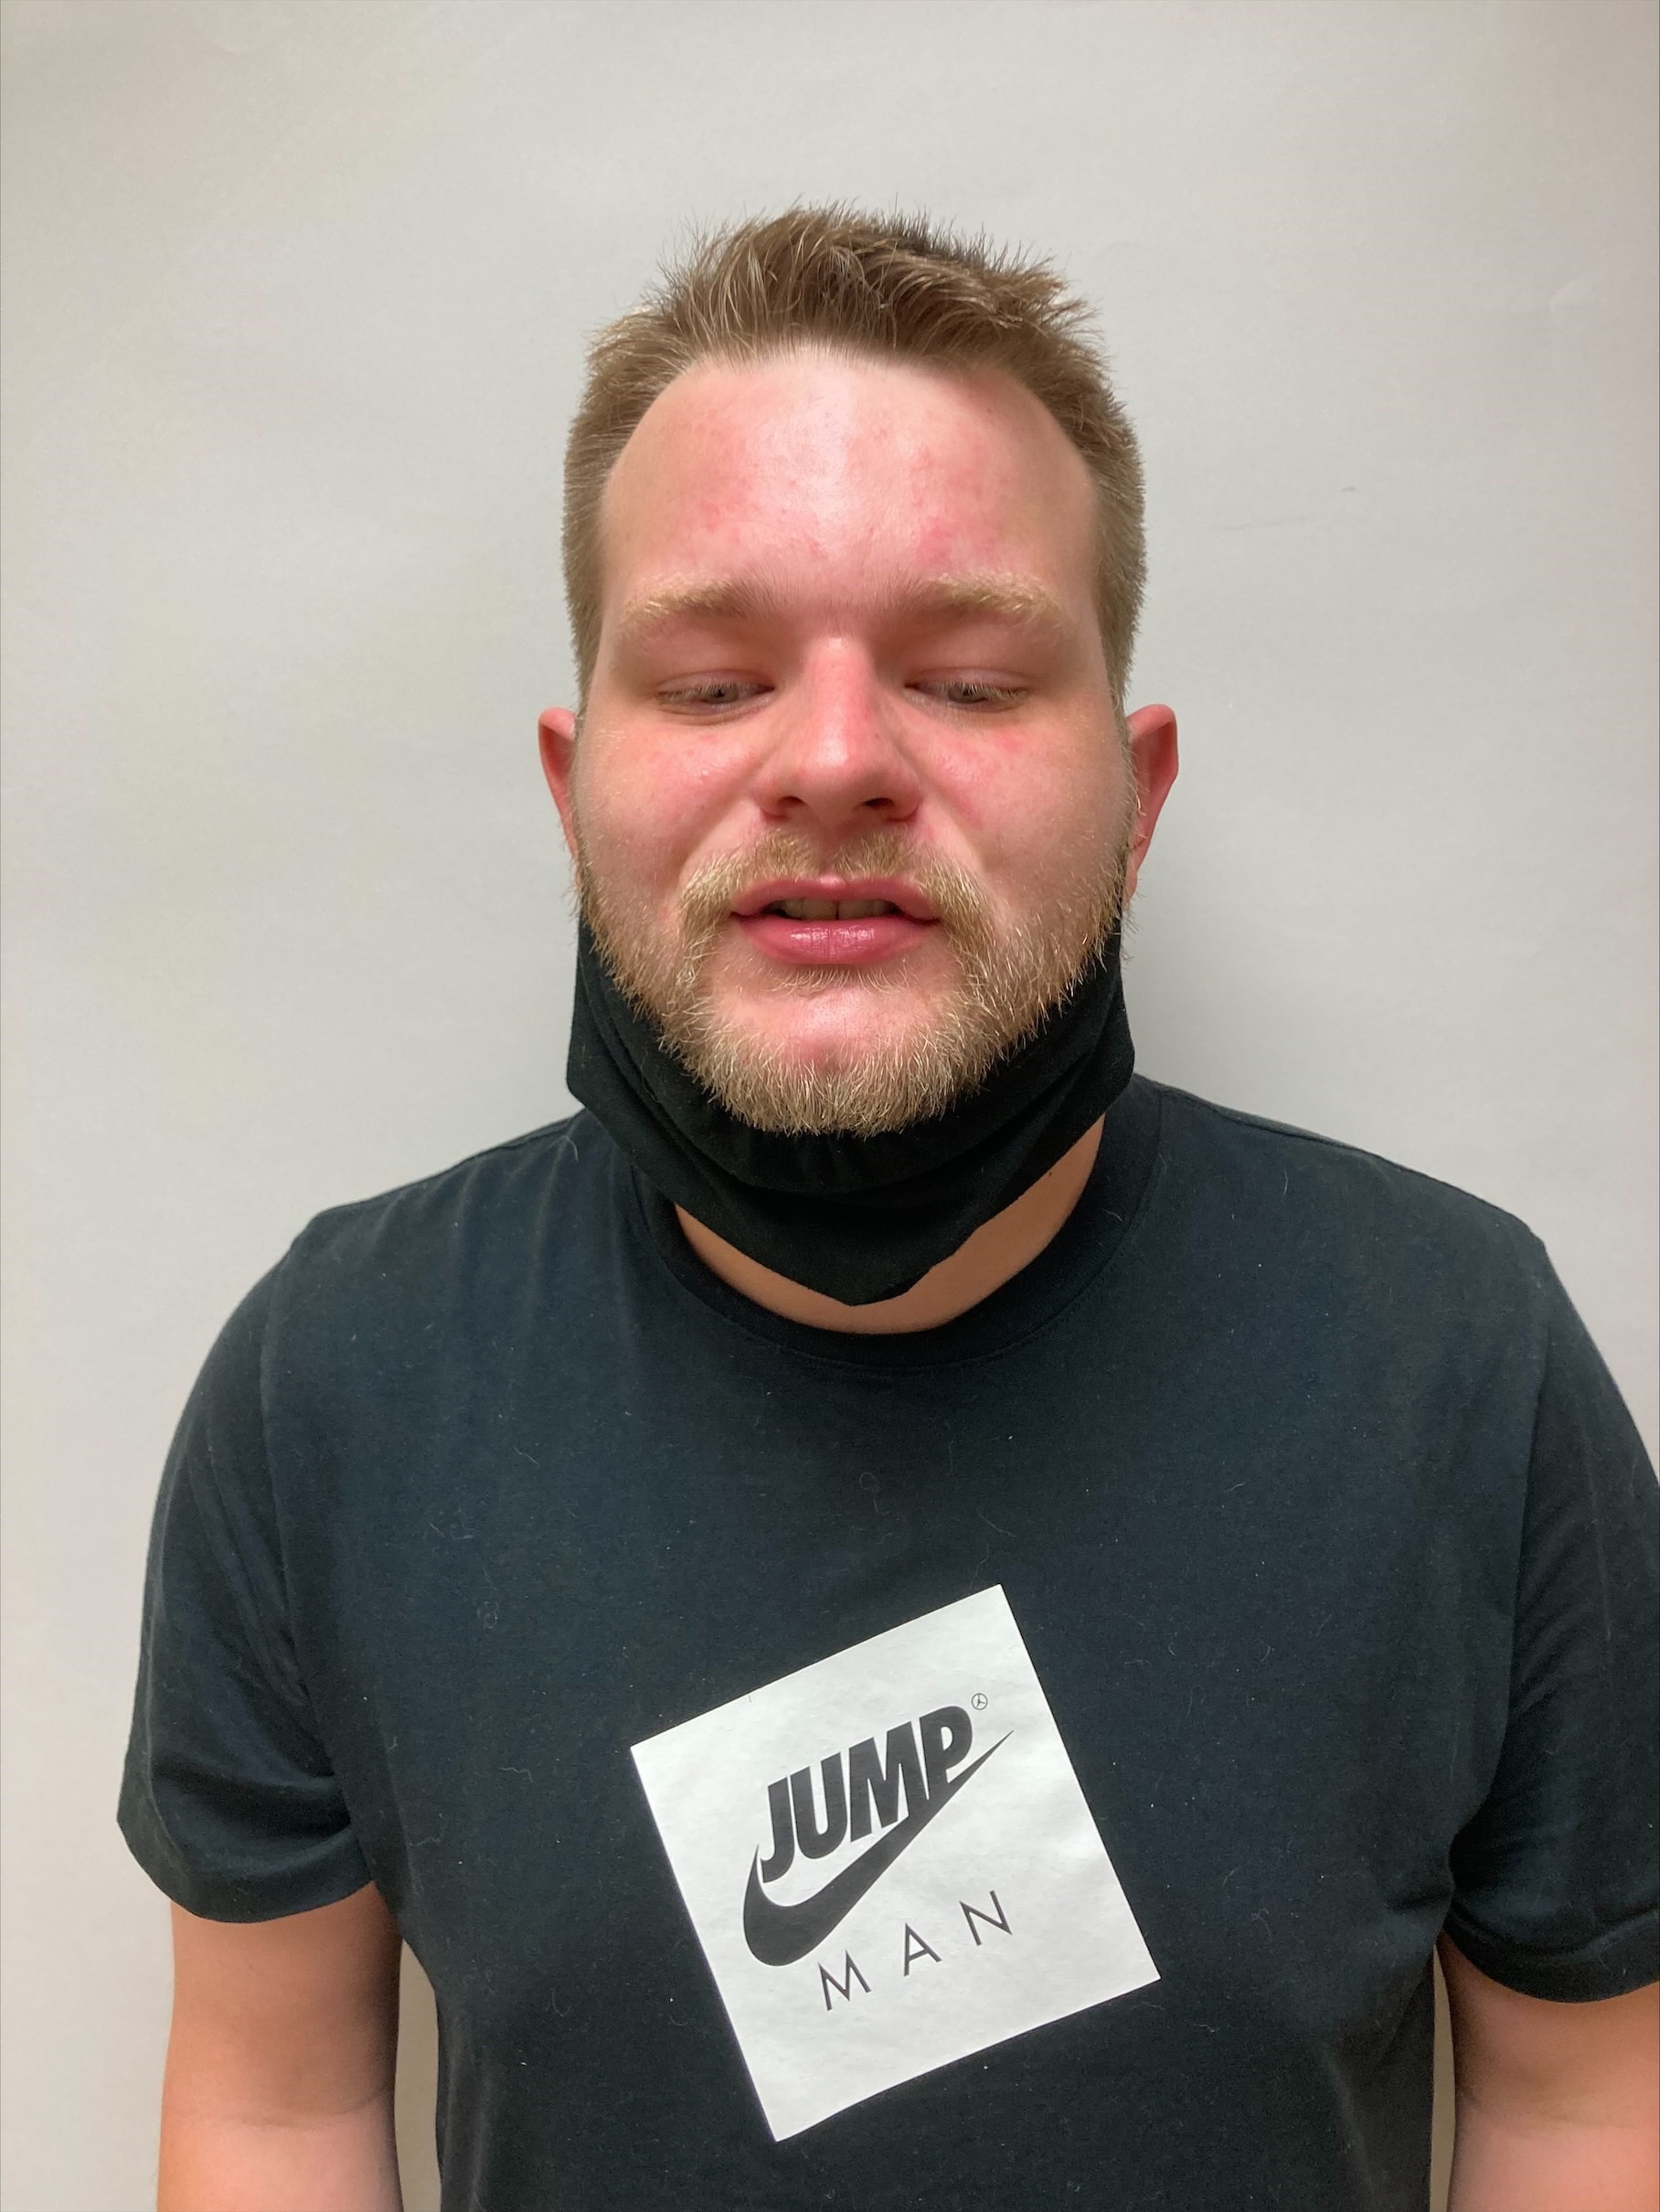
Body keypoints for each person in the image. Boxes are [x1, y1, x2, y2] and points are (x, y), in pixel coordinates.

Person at [120, 207, 1657, 2212]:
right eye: (712, 681)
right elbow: (272, 2108)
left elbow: (1579, 2104)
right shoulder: (327, 1394)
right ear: (573, 791)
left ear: (1136, 795)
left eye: (965, 678)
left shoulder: (1463, 1368)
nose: (835, 760)